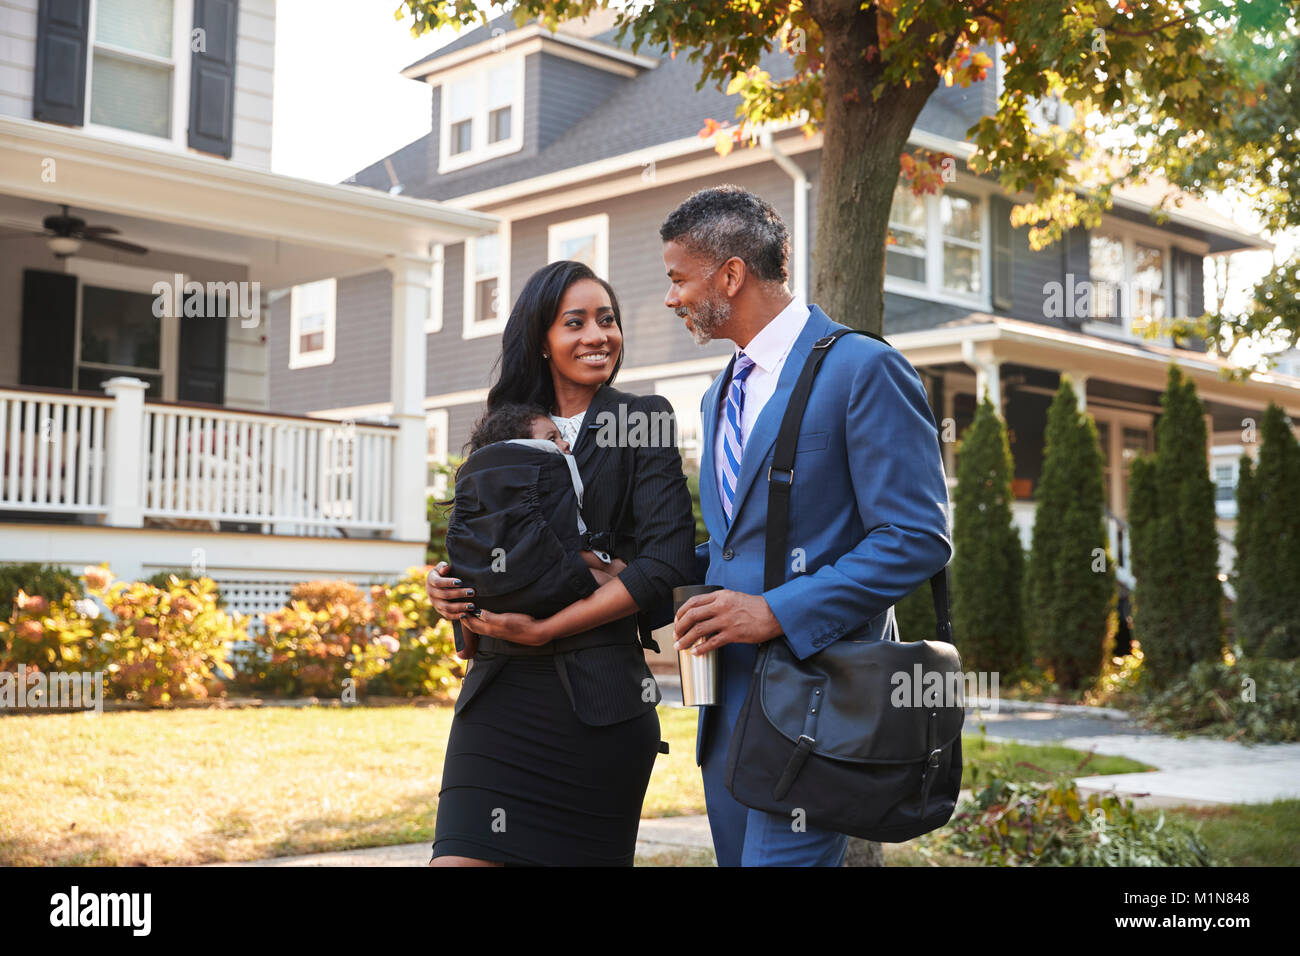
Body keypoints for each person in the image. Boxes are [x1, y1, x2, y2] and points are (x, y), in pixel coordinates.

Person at [663, 185, 953, 867]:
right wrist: (633, 574)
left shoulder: (862, 369)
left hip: (814, 703)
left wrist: (776, 611)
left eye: (679, 278)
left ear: (730, 275)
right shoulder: (717, 394)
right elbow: (736, 546)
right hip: (725, 711)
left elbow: (916, 537)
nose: (672, 297)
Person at [424, 259, 696, 866]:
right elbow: (478, 547)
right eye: (574, 322)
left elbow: (669, 559)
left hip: (597, 701)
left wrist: (547, 626)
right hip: (498, 694)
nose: (597, 335)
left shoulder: (640, 418)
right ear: (542, 340)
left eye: (607, 319)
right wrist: (442, 588)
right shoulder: (509, 423)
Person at [438, 402, 622, 656]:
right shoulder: (542, 501)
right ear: (521, 454)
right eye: (552, 438)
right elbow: (571, 549)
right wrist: (608, 563)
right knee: (623, 581)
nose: (566, 444)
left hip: (489, 612)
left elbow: (464, 652)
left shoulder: (474, 521)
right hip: (554, 595)